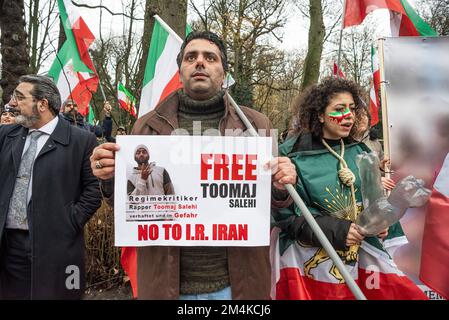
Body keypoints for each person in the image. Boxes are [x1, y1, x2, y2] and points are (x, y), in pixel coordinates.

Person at [90, 31, 297, 300]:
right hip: (167, 284)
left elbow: (272, 202)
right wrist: (109, 177)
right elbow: (129, 204)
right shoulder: (147, 125)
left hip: (237, 285)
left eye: (210, 57)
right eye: (191, 57)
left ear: (223, 74)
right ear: (180, 71)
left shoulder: (256, 126)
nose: (200, 62)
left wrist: (281, 187)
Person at [271, 77, 426, 300]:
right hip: (312, 268)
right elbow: (286, 217)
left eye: (352, 109)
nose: (349, 116)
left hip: (362, 260)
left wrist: (380, 226)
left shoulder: (361, 150)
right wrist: (341, 230)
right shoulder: (291, 155)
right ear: (320, 115)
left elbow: (373, 201)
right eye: (339, 109)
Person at [0, 75, 102, 299]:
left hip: (57, 250)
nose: (11, 104)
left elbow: (94, 190)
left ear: (43, 104)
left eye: (19, 97)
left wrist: (70, 221)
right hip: (9, 249)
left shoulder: (82, 141)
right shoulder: (6, 135)